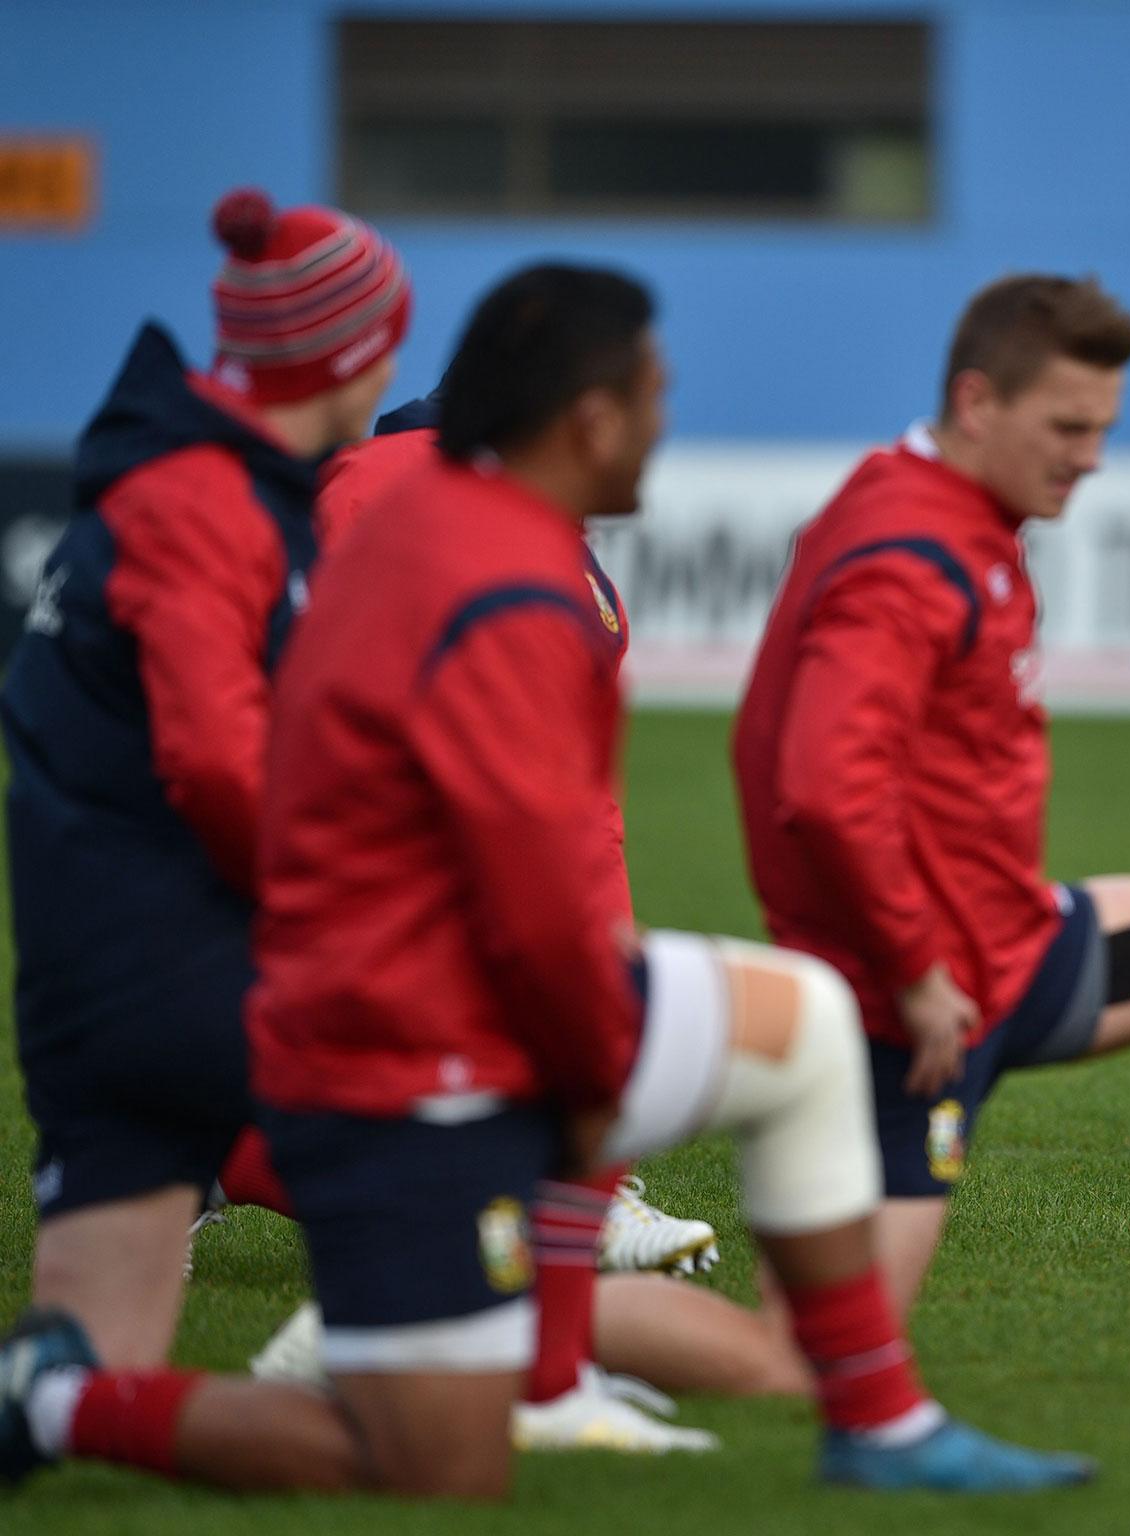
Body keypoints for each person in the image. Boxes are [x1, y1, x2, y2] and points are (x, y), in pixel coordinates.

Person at [0, 262, 1092, 1499]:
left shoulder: (444, 531)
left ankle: (845, 1416)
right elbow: (532, 899)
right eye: (655, 394)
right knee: (434, 1462)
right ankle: (70, 1393)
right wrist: (587, 1091)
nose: (667, 422)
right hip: (408, 1040)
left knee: (802, 1032)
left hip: (382, 1002)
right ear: (589, 419)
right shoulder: (507, 587)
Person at [733, 273, 1130, 1390]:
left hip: (1007, 951)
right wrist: (909, 969)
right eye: (1067, 427)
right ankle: (478, 1348)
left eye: (1104, 429)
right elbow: (819, 787)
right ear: (978, 403)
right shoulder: (910, 555)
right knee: (797, 1362)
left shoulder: (940, 501)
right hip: (914, 1002)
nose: (1091, 456)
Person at [237, 393, 810, 1447]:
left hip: (312, 889)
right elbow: (564, 815)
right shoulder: (507, 551)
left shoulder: (353, 499)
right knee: (798, 1029)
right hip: (415, 913)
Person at [1, 186, 408, 1374]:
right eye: (382, 343)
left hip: (107, 980)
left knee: (87, 1382)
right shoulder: (203, 504)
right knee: (503, 1097)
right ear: (343, 354)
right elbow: (217, 760)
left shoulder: (192, 484)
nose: (389, 373)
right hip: (182, 981)